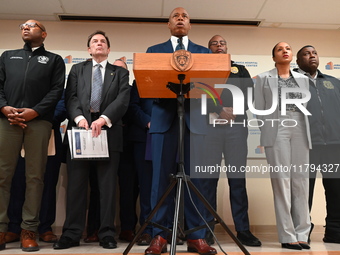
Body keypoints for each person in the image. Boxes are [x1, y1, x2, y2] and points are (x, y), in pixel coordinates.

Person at [144, 7, 216, 255]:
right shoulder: (154, 52)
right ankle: (159, 236)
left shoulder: (204, 53)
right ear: (168, 23)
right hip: (164, 120)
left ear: (190, 24)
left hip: (195, 121)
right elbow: (147, 86)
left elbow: (211, 89)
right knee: (160, 181)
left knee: (198, 180)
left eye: (184, 16)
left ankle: (197, 237)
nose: (180, 18)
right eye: (176, 15)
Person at [53, 30, 130, 250]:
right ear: (88, 49)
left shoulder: (120, 73)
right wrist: (79, 118)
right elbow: (71, 97)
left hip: (108, 132)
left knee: (107, 188)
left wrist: (104, 119)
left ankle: (106, 233)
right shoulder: (78, 69)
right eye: (94, 41)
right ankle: (71, 234)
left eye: (102, 42)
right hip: (81, 131)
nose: (98, 44)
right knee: (76, 186)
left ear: (108, 49)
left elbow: (123, 100)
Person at [0, 19, 65, 251]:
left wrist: (35, 111)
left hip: (38, 123)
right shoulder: (8, 56)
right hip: (7, 120)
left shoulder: (55, 60)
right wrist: (4, 107)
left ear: (44, 34)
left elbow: (57, 90)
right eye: (23, 26)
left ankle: (29, 230)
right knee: (3, 175)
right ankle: (1, 228)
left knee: (35, 178)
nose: (25, 28)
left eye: (32, 25)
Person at [203, 35, 261, 247]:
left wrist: (233, 111)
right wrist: (218, 110)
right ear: (208, 49)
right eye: (214, 43)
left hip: (236, 127)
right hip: (210, 129)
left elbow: (249, 95)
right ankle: (207, 228)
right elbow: (198, 93)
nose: (219, 46)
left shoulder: (240, 69)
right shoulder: (203, 69)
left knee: (237, 180)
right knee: (209, 180)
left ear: (227, 47)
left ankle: (243, 230)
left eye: (222, 43)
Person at [254, 42, 311, 250]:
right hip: (276, 127)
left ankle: (303, 233)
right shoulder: (262, 78)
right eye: (280, 49)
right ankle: (287, 235)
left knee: (301, 182)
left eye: (288, 48)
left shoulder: (304, 79)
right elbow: (259, 109)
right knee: (282, 182)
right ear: (273, 57)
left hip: (300, 128)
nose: (285, 51)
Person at [5, 93, 66, 244]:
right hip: (18, 132)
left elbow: (62, 107)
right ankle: (14, 227)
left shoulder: (55, 86)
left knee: (47, 182)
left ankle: (45, 227)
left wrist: (35, 117)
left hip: (48, 135)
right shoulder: (20, 85)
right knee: (17, 182)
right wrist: (20, 117)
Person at [294, 45, 340, 243]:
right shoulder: (291, 82)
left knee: (336, 190)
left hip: (334, 146)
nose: (311, 56)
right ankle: (302, 233)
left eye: (314, 53)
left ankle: (335, 232)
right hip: (306, 146)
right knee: (304, 191)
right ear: (298, 61)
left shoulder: (333, 83)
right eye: (306, 53)